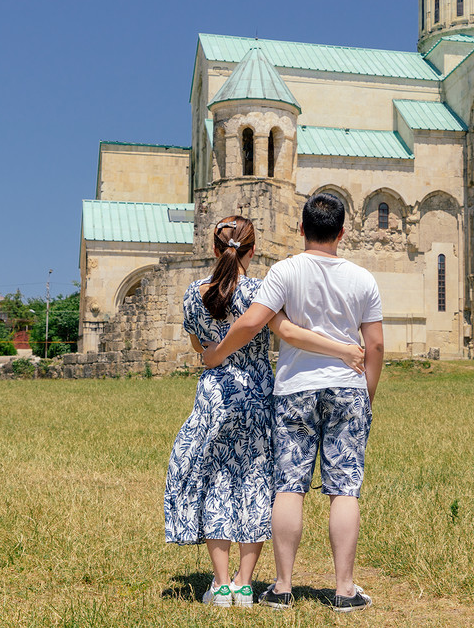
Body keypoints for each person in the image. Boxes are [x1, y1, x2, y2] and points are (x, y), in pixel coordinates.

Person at [164, 216, 365, 608]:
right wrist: (343, 349)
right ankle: (244, 582)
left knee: (217, 480)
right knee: (256, 481)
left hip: (214, 395)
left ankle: (220, 585)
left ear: (213, 248)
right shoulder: (259, 291)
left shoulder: (193, 294)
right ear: (251, 250)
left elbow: (199, 346)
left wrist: (215, 354)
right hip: (258, 392)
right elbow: (286, 332)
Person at [204, 193, 384, 612]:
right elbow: (374, 345)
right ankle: (344, 590)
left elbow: (253, 321)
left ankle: (283, 586)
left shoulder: (284, 271)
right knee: (345, 491)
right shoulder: (363, 279)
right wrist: (367, 395)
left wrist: (217, 354)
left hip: (294, 389)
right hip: (347, 387)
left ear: (301, 229)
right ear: (342, 232)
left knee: (289, 486)